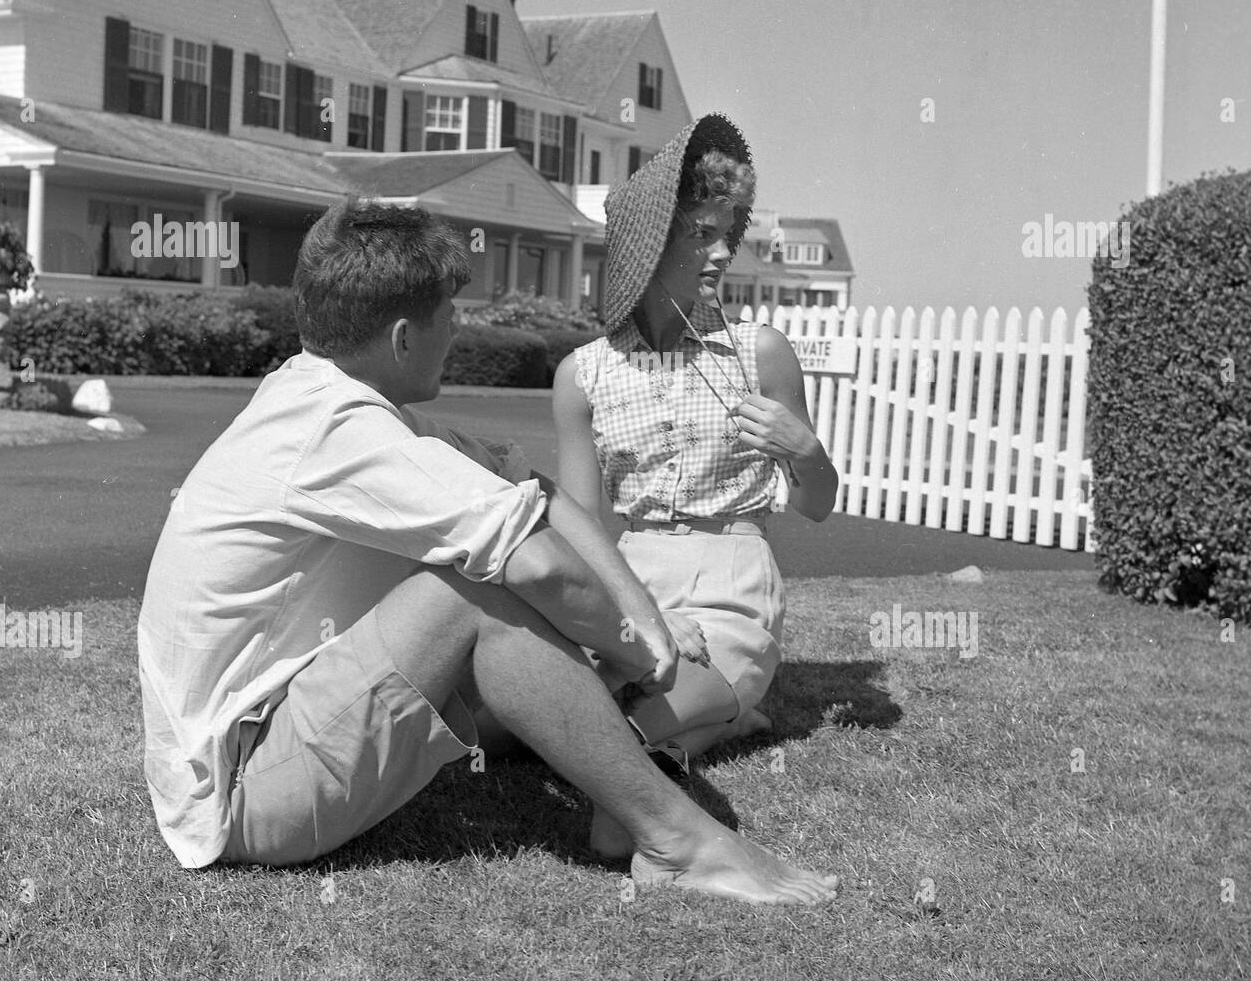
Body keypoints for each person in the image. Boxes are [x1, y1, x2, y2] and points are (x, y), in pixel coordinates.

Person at [137, 197, 837, 906]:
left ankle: (621, 770)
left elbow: (532, 487)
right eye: (453, 315)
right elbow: (539, 562)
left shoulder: (326, 398)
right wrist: (636, 653)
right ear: (406, 338)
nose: (460, 330)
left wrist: (640, 611)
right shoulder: (336, 430)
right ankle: (679, 841)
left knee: (502, 569)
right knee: (478, 592)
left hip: (279, 741)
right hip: (244, 794)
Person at [553, 113, 839, 858]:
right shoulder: (583, 376)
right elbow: (581, 526)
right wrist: (636, 609)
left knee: (618, 729)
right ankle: (717, 726)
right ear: (650, 242)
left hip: (733, 578)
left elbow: (817, 503)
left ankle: (666, 747)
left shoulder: (761, 353)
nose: (720, 252)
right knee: (558, 700)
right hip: (632, 577)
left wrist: (803, 449)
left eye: (727, 231)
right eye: (699, 233)